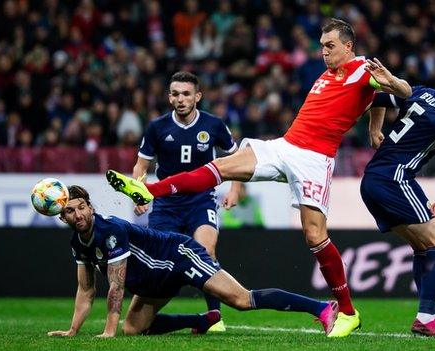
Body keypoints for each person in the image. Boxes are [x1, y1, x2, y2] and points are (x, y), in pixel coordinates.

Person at [105, 18, 411, 337]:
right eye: (321, 46)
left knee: (314, 235)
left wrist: (393, 84)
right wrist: (375, 126)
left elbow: (397, 92)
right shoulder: (330, 74)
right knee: (222, 167)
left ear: (348, 46)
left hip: (314, 159)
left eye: (330, 46)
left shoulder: (363, 68)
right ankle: (150, 189)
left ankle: (348, 312)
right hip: (285, 145)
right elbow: (377, 99)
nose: (324, 52)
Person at [47, 185, 339, 338]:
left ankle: (322, 308)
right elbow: (86, 291)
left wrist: (107, 331)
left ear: (90, 206)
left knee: (240, 299)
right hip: (155, 277)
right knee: (133, 328)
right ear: (62, 217)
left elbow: (116, 285)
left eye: (82, 207)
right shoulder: (79, 243)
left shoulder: (109, 229)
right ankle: (203, 320)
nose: (79, 215)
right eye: (71, 212)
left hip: (178, 256)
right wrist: (73, 330)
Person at [361, 63, 435, 337]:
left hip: (372, 180)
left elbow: (378, 96)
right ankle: (426, 316)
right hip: (396, 179)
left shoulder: (420, 92)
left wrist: (373, 130)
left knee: (423, 246)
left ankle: (433, 314)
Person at [131, 71, 237, 332]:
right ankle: (145, 318)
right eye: (176, 94)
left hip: (201, 201)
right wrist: (138, 192)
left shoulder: (213, 125)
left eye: (186, 94)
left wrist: (235, 189)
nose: (181, 99)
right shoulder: (157, 127)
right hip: (166, 204)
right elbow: (141, 165)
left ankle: (215, 316)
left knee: (206, 251)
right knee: (160, 262)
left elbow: (236, 158)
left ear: (197, 96)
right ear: (169, 97)